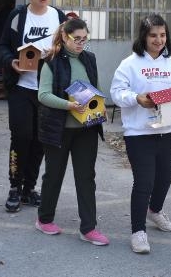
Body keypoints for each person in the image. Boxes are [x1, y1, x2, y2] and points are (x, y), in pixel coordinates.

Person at [110, 14, 171, 254]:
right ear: (143, 37)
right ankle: (138, 232)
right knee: (144, 182)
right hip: (138, 134)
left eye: (163, 35)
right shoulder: (130, 64)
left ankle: (155, 211)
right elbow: (116, 92)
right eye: (153, 35)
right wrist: (136, 98)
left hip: (165, 131)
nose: (158, 40)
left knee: (165, 177)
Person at [34, 18, 109, 246]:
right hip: (58, 129)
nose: (81, 44)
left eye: (84, 39)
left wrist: (99, 105)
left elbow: (95, 87)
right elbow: (43, 95)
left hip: (86, 128)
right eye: (77, 39)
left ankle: (89, 228)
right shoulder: (51, 61)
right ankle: (44, 219)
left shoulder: (89, 58)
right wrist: (69, 105)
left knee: (86, 177)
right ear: (65, 37)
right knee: (54, 175)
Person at [0, 0, 67, 212]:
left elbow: (67, 47)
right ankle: (14, 188)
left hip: (47, 91)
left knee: (40, 140)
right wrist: (11, 62)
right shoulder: (18, 16)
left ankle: (29, 188)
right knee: (21, 137)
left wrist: (56, 56)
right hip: (21, 88)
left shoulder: (58, 16)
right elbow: (2, 46)